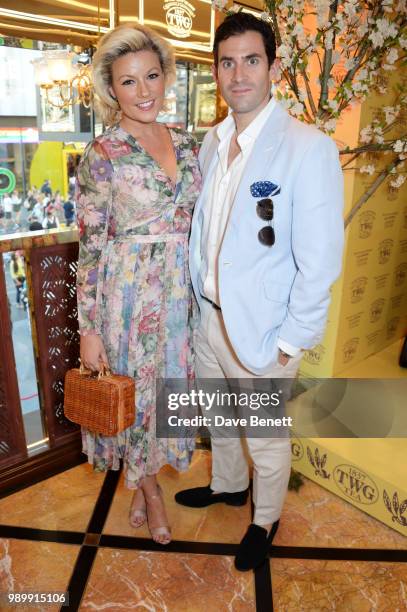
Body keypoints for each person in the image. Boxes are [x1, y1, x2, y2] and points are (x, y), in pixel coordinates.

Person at [175, 12, 344, 571]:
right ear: (217, 71)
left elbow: (319, 262)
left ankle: (265, 517)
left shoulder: (306, 147)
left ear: (273, 67)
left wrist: (291, 343)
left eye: (251, 60)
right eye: (227, 62)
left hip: (265, 332)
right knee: (218, 416)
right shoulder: (211, 141)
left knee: (266, 439)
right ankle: (226, 485)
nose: (238, 74)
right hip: (210, 317)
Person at [76, 23, 201, 545]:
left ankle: (140, 478)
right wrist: (89, 328)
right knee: (135, 401)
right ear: (112, 90)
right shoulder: (102, 154)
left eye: (152, 75)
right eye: (129, 82)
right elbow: (89, 247)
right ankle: (151, 494)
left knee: (165, 398)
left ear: (167, 77)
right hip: (126, 301)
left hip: (180, 299)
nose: (144, 91)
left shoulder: (191, 144)